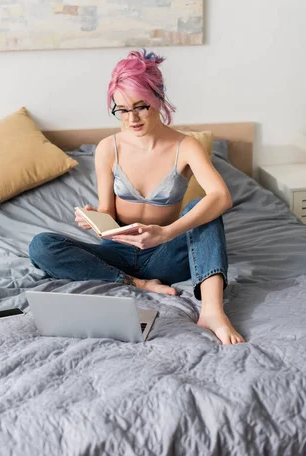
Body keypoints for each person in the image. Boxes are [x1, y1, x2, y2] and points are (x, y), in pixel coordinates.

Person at [29, 49, 245, 345]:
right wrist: (94, 219)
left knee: (204, 209)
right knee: (42, 246)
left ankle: (212, 311)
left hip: (165, 254)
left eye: (141, 107)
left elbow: (222, 196)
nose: (132, 118)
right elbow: (107, 210)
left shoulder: (186, 146)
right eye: (122, 110)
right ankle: (137, 283)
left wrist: (166, 232)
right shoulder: (108, 147)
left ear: (158, 98)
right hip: (116, 254)